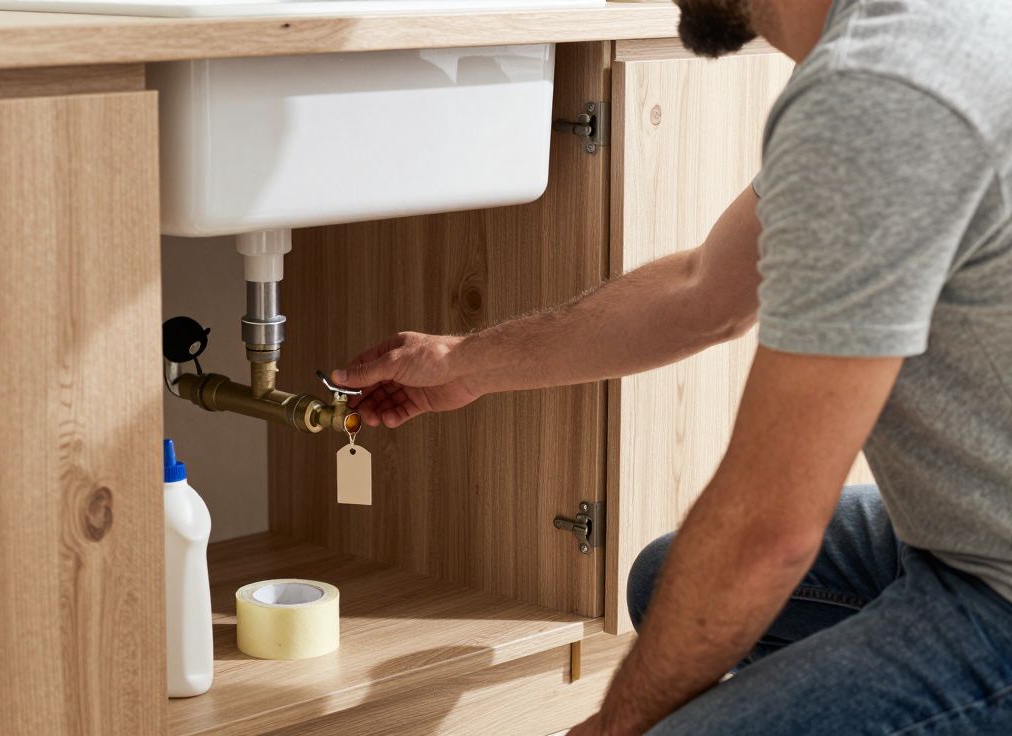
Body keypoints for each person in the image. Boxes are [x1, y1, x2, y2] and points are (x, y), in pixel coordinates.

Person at [330, 0, 1012, 732]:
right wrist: (464, 362)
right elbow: (703, 291)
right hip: (966, 538)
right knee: (669, 585)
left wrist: (616, 726)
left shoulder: (878, 97)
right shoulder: (924, 32)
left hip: (996, 596)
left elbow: (767, 532)